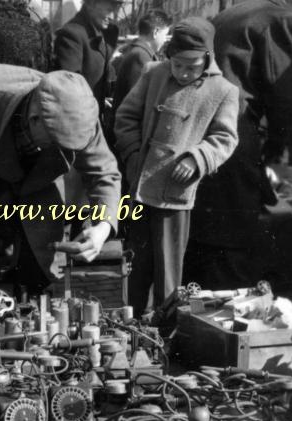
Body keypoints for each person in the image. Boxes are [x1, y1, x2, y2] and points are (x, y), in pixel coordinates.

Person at [0, 65, 121, 313]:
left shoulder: (80, 115)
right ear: (34, 119)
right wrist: (4, 202)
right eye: (58, 142)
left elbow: (104, 172)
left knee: (42, 240)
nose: (66, 150)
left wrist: (102, 227)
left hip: (36, 178)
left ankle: (35, 304)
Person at [183, 0, 292, 290]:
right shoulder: (284, 19)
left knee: (202, 240)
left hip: (195, 130)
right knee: (232, 242)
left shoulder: (237, 12)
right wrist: (275, 152)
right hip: (231, 136)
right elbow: (286, 101)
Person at [114, 17, 239, 318]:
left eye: (192, 66)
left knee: (169, 266)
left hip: (176, 191)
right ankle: (132, 322)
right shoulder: (152, 73)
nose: (183, 72)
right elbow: (125, 117)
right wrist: (133, 156)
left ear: (208, 58)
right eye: (177, 64)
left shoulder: (223, 90)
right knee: (136, 261)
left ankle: (165, 326)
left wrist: (197, 158)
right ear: (168, 56)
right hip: (141, 185)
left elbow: (225, 138)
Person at [54, 0, 124, 123]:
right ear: (91, 4)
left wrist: (102, 98)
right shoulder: (72, 34)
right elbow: (70, 91)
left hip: (95, 115)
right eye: (108, 10)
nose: (112, 16)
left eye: (115, 10)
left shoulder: (105, 31)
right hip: (79, 121)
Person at [111, 10, 171, 121]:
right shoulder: (140, 57)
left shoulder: (138, 52)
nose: (164, 40)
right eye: (165, 35)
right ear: (156, 32)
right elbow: (135, 105)